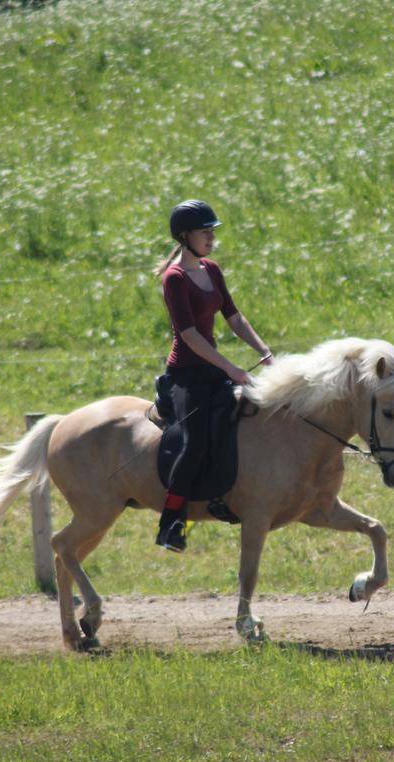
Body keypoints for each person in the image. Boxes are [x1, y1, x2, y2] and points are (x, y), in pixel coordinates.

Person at [153, 200, 272, 552]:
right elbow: (189, 336)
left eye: (212, 231)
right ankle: (171, 524)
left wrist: (264, 352)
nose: (211, 237)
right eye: (205, 231)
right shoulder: (174, 279)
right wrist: (231, 369)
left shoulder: (212, 269)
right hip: (187, 376)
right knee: (195, 444)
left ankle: (224, 495)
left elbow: (234, 319)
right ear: (185, 236)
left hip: (214, 368)